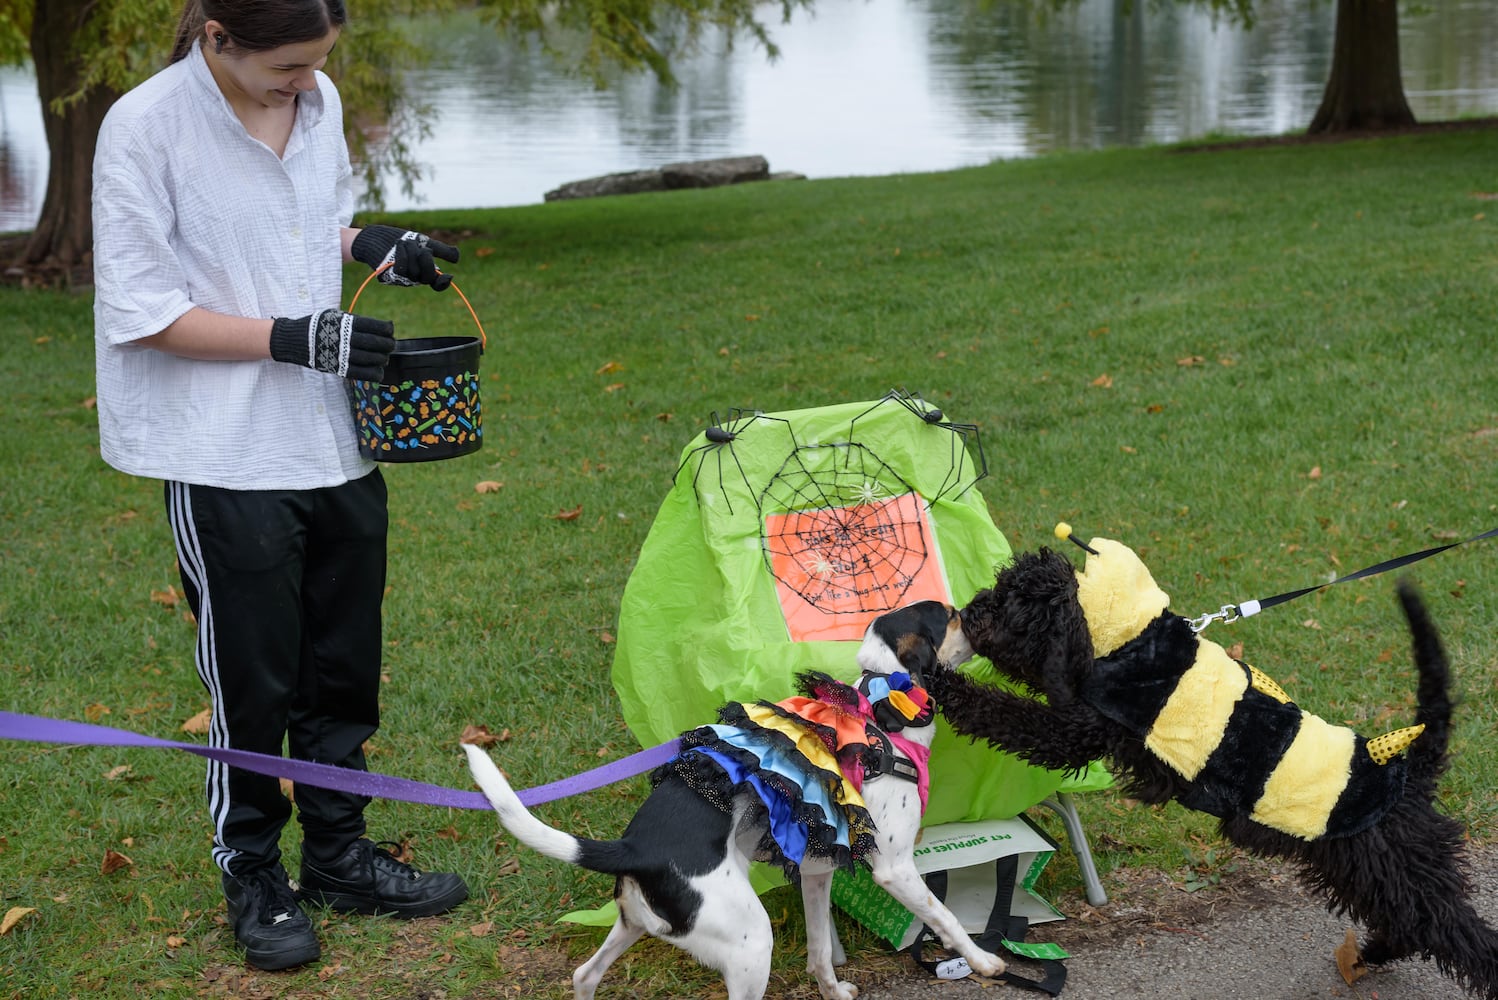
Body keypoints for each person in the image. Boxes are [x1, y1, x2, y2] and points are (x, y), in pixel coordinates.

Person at [92, 0, 467, 972]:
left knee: (342, 670)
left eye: (315, 67)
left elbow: (293, 225)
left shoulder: (320, 97)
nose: (307, 86)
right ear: (216, 36)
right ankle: (253, 868)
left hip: (332, 440)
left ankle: (340, 856)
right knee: (254, 684)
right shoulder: (142, 127)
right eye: (286, 70)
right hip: (224, 453)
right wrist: (288, 336)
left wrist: (370, 245)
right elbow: (143, 309)